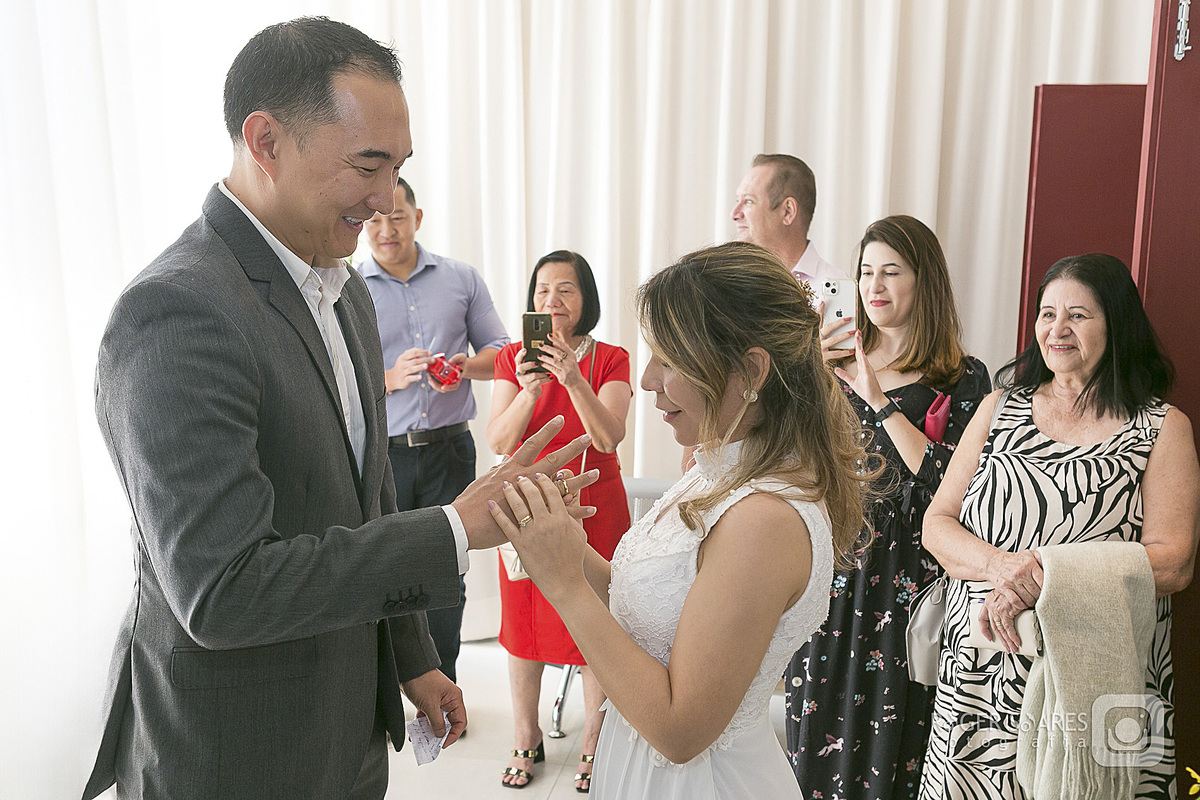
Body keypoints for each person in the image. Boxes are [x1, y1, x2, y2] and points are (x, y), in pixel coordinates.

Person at [82, 18, 597, 800]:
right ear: (266, 142)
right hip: (237, 751)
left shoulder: (344, 289)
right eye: (367, 164)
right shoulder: (176, 312)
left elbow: (368, 497)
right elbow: (222, 591)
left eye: (399, 168)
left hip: (348, 727)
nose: (387, 200)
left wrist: (412, 657)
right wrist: (457, 527)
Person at [488, 241, 878, 799]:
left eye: (668, 361)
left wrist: (564, 583)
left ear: (749, 370)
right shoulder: (718, 469)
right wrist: (568, 546)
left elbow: (680, 731)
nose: (648, 381)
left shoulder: (764, 520)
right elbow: (653, 607)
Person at [920, 254, 1199, 800]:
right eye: (1047, 314)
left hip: (1098, 677)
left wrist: (1043, 574)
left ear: (1116, 324)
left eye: (1078, 315)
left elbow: (1174, 562)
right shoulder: (998, 408)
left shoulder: (1162, 428)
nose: (1057, 329)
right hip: (981, 674)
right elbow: (937, 524)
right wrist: (1005, 568)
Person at [784, 215, 991, 799]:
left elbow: (954, 485)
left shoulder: (963, 377)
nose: (874, 286)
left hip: (909, 584)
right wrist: (802, 369)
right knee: (814, 738)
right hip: (829, 574)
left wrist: (878, 399)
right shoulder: (829, 360)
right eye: (866, 272)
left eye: (891, 272)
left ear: (924, 282)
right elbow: (789, 455)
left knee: (899, 749)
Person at [486, 250, 633, 791]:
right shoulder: (511, 359)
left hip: (595, 505)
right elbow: (499, 440)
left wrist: (572, 379)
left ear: (586, 298)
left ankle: (595, 738)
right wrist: (530, 391)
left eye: (566, 289)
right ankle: (526, 735)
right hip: (526, 502)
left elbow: (608, 438)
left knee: (596, 617)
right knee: (522, 619)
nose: (552, 300)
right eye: (543, 290)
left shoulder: (611, 359)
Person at [359, 176, 510, 682]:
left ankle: (445, 689)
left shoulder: (461, 278)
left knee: (448, 568)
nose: (386, 229)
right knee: (389, 569)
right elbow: (335, 378)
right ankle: (395, 687)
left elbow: (503, 354)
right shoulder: (348, 289)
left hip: (451, 450)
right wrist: (388, 378)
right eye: (375, 219)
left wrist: (465, 368)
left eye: (398, 217)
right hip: (386, 456)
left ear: (417, 219)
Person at [731, 153, 846, 287]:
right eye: (738, 200)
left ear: (788, 212)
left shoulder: (838, 286)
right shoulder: (731, 284)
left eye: (748, 201)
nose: (734, 214)